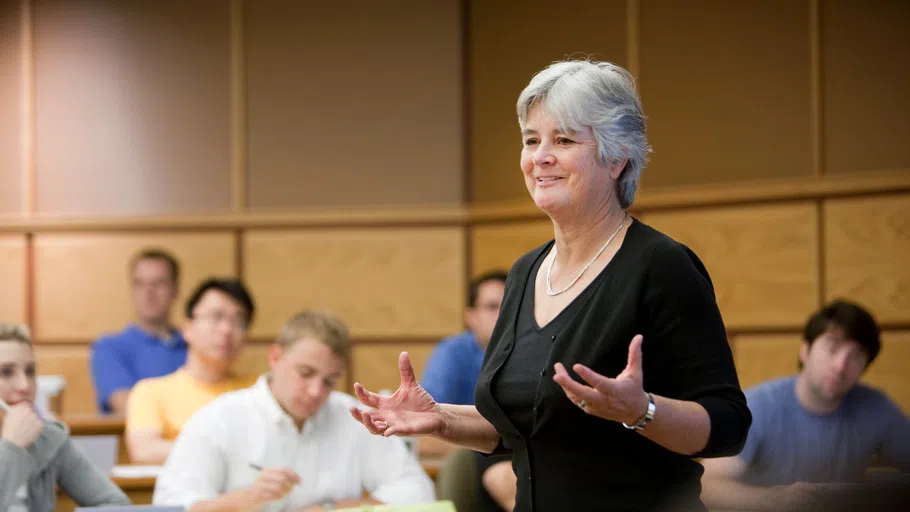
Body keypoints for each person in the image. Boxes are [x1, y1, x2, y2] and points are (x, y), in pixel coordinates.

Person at [348, 59, 752, 512]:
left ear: (617, 158)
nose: (540, 156)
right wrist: (439, 418)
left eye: (563, 140)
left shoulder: (662, 266)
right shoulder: (525, 272)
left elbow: (729, 425)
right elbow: (521, 427)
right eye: (531, 140)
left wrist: (641, 411)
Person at [153, 310, 435, 512]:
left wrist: (332, 509)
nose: (316, 391)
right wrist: (241, 501)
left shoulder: (353, 417)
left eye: (329, 380)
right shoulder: (219, 419)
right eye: (305, 373)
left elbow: (418, 494)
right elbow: (171, 505)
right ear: (275, 357)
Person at [701, 300, 910, 511]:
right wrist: (776, 501)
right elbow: (708, 485)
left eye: (856, 356)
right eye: (832, 347)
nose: (841, 366)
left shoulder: (874, 408)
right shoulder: (758, 407)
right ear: (805, 350)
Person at [125, 277, 257, 464]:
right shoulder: (151, 391)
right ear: (188, 328)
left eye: (239, 321)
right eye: (216, 317)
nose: (226, 329)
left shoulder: (257, 391)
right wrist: (225, 449)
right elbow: (145, 451)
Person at [0, 323, 131, 510]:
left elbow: (116, 504)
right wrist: (12, 447)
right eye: (5, 372)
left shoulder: (48, 438)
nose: (25, 385)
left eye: (30, 372)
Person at [420, 271, 514, 511]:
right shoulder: (452, 354)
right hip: (484, 457)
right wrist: (483, 443)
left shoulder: (533, 351)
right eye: (492, 306)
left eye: (510, 305)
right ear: (471, 316)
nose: (503, 314)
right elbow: (424, 433)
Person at [90, 248, 187, 415]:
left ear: (175, 290)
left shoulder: (194, 346)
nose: (148, 293)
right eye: (139, 284)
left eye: (159, 283)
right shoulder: (109, 348)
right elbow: (129, 408)